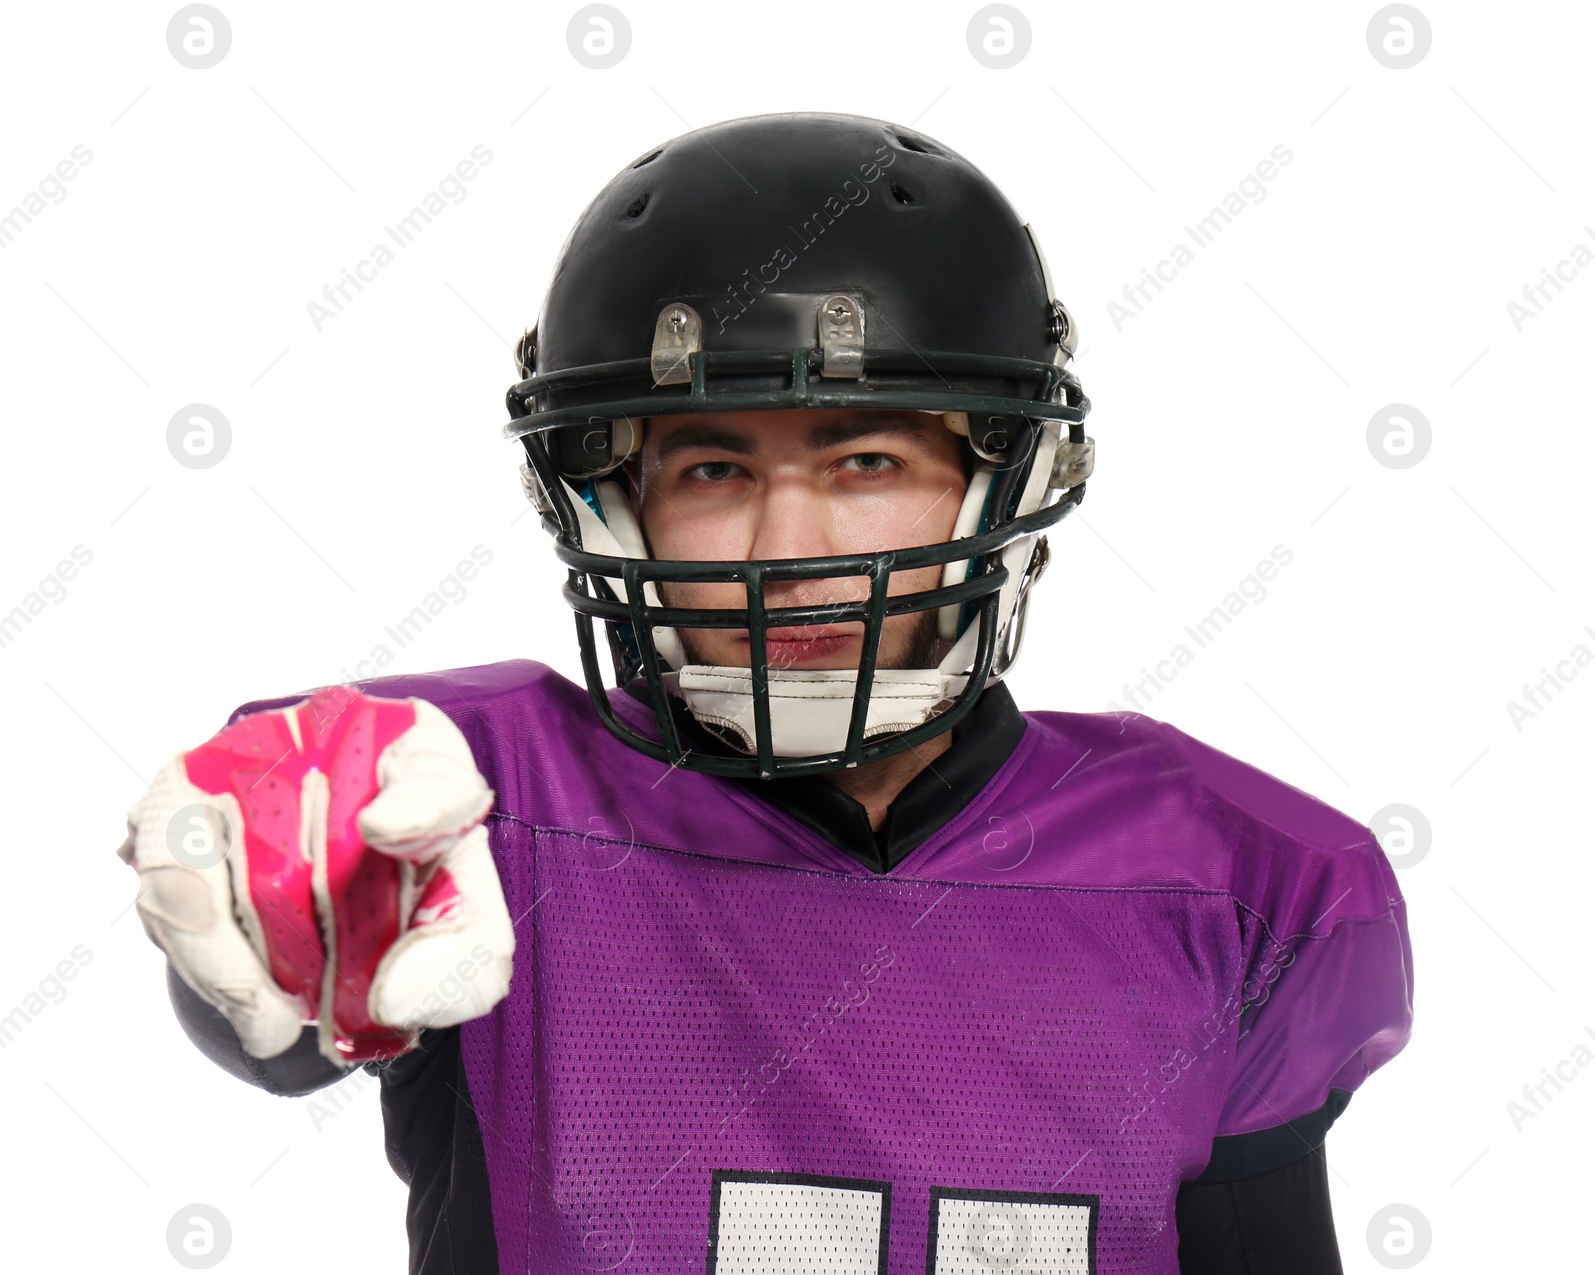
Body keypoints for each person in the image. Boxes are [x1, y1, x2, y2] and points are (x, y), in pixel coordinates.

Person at [116, 112, 1413, 1274]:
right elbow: (289, 966)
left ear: (1005, 486)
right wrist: (286, 878)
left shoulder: (1237, 880)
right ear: (615, 505)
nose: (789, 553)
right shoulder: (469, 801)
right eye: (716, 472)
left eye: (863, 458)